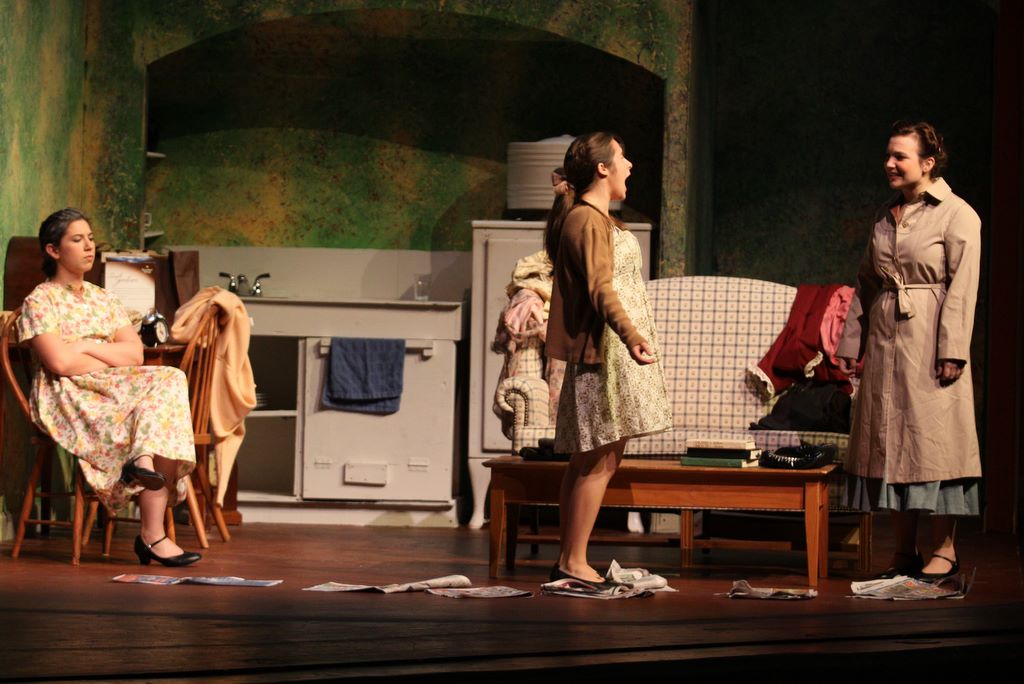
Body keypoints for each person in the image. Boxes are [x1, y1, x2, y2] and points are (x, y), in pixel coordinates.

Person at [837, 121, 981, 582]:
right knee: (890, 447)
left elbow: (963, 288)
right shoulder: (886, 216)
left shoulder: (957, 214)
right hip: (885, 344)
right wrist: (852, 341)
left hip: (929, 342)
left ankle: (945, 549)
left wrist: (952, 350)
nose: (890, 163)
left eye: (900, 156)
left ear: (928, 163)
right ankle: (903, 551)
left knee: (934, 446)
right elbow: (866, 281)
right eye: (888, 155)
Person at [18, 208, 201, 567]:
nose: (89, 247)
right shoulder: (40, 301)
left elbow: (134, 355)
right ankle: (153, 535)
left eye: (90, 238)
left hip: (113, 386)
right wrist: (107, 356)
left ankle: (142, 466)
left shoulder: (105, 299)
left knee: (170, 381)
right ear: (53, 250)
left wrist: (85, 346)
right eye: (77, 240)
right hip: (68, 394)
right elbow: (60, 364)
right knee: (159, 405)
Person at [544, 133, 672, 584]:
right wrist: (632, 335)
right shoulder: (586, 219)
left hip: (612, 349)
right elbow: (601, 289)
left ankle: (569, 557)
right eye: (622, 157)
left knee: (594, 458)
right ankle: (573, 561)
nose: (630, 165)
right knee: (598, 459)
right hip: (607, 353)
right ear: (603, 168)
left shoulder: (594, 218)